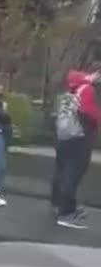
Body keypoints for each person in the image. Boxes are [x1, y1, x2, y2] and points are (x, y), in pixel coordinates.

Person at [51, 69, 101, 229]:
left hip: (63, 138)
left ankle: (58, 204)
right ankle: (67, 214)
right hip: (79, 138)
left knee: (61, 171)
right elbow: (91, 114)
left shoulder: (68, 94)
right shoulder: (87, 90)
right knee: (73, 173)